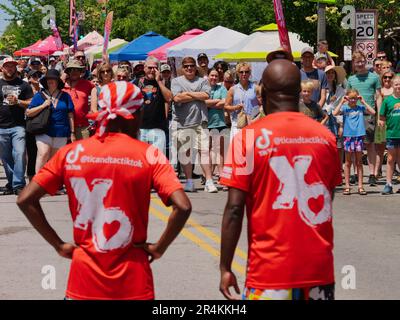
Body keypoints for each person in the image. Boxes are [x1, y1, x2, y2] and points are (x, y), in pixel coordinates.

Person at [17, 81, 192, 300]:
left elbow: (25, 199)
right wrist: (159, 247)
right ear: (135, 114)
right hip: (134, 281)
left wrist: (59, 245)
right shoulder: (149, 154)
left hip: (84, 280)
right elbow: (183, 206)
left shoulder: (71, 153)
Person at [219, 59, 342, 301]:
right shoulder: (325, 137)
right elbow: (329, 194)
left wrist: (225, 267)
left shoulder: (248, 138)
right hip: (318, 270)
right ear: (299, 91)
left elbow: (235, 209)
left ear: (263, 92)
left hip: (269, 273)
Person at [171, 56, 217, 193]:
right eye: (186, 66)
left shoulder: (203, 81)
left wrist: (187, 94)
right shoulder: (176, 81)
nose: (189, 68)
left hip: (200, 121)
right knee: (186, 153)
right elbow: (177, 98)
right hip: (182, 122)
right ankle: (190, 182)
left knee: (204, 151)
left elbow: (206, 96)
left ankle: (209, 181)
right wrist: (196, 95)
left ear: (195, 67)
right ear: (182, 68)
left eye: (191, 65)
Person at [26, 70, 75, 173]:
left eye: (53, 79)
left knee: (54, 161)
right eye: (48, 79)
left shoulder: (65, 96)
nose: (50, 81)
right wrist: (43, 105)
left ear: (58, 81)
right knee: (43, 154)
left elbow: (70, 115)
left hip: (61, 132)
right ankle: (38, 184)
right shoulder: (40, 95)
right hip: (44, 130)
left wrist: (72, 132)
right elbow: (29, 112)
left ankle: (50, 186)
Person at [347, 51, 382, 186]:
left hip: (368, 115)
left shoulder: (374, 77)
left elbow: (378, 97)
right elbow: (348, 97)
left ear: (365, 61)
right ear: (354, 64)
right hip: (353, 115)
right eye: (357, 62)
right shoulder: (351, 79)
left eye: (362, 61)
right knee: (356, 146)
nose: (360, 64)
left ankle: (372, 174)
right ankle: (356, 173)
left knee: (370, 145)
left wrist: (378, 115)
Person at [0, 58, 33, 195]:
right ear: (2, 68)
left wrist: (18, 101)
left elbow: (32, 102)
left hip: (18, 126)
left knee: (19, 154)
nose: (10, 69)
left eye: (12, 66)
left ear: (16, 68)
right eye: (7, 66)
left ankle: (19, 184)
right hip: (1, 126)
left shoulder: (23, 85)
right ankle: (13, 183)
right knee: (6, 158)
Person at [333, 89, 376, 195]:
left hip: (358, 136)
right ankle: (347, 186)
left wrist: (363, 101)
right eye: (350, 98)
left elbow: (373, 112)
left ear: (357, 98)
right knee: (347, 162)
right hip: (348, 137)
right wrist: (342, 101)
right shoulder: (345, 107)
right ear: (347, 98)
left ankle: (360, 186)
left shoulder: (360, 107)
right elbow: (334, 113)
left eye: (354, 98)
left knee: (359, 162)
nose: (352, 100)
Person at [134, 56, 172, 155]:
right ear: (144, 68)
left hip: (157, 128)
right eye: (149, 68)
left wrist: (159, 81)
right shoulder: (138, 82)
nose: (152, 70)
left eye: (154, 68)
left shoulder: (162, 82)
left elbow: (169, 99)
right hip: (141, 128)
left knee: (156, 159)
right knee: (141, 159)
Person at [224, 62, 259, 141]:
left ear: (250, 73)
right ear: (237, 73)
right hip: (237, 123)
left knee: (251, 151)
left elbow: (262, 105)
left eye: (246, 72)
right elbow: (226, 107)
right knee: (237, 150)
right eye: (241, 72)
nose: (244, 74)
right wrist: (236, 107)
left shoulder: (256, 88)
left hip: (252, 123)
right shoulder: (233, 89)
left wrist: (256, 118)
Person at [63, 60, 95, 140]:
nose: (74, 72)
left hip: (83, 127)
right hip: (65, 127)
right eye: (72, 69)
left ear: (81, 71)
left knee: (84, 152)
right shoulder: (62, 86)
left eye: (77, 69)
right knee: (67, 151)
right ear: (68, 71)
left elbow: (99, 89)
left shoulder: (88, 84)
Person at [206, 69, 228, 187]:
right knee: (208, 150)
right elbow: (203, 102)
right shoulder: (203, 88)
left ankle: (221, 175)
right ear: (208, 76)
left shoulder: (222, 89)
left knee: (220, 150)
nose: (214, 77)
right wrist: (216, 102)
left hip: (219, 123)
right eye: (212, 75)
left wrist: (209, 103)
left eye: (216, 76)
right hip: (206, 123)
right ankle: (208, 176)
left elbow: (224, 102)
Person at [379, 75, 400, 194]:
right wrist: (381, 123)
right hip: (392, 134)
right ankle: (388, 184)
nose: (398, 86)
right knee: (391, 158)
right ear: (392, 85)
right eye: (396, 84)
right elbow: (382, 117)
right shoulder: (387, 100)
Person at [323, 65, 347, 171]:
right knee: (326, 146)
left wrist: (341, 125)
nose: (330, 75)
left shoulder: (340, 90)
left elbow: (342, 107)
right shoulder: (321, 89)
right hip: (325, 120)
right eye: (328, 73)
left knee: (339, 146)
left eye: (332, 73)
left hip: (337, 120)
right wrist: (330, 103)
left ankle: (339, 169)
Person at [375, 70, 395, 179]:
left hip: (394, 122)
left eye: (390, 77)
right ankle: (377, 172)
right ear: (382, 79)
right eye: (385, 77)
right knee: (380, 149)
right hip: (382, 121)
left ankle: (394, 173)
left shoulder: (396, 90)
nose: (387, 79)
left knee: (395, 149)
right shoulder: (380, 90)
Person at [26, 70, 43, 181]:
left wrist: (37, 88)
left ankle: (41, 177)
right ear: (29, 77)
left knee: (42, 152)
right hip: (28, 123)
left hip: (41, 123)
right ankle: (32, 178)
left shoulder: (42, 89)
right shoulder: (25, 88)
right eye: (34, 76)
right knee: (31, 152)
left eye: (38, 75)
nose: (36, 78)